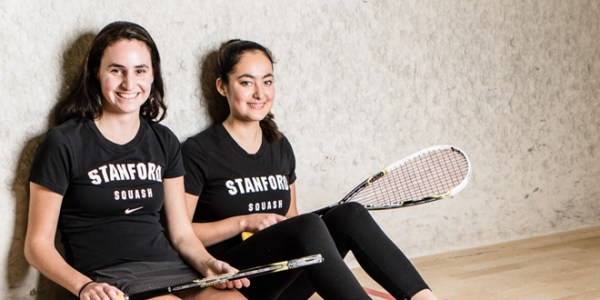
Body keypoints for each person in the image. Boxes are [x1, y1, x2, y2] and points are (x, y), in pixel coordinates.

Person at [182, 39, 440, 300]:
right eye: (247, 82)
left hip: (282, 283)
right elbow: (180, 235)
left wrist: (304, 225)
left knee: (348, 214)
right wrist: (244, 222)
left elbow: (293, 221)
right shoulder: (199, 151)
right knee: (307, 225)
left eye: (267, 82)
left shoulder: (279, 146)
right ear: (222, 87)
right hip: (236, 283)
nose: (260, 93)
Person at [24, 21, 248, 300]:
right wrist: (83, 286)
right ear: (96, 72)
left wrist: (208, 264)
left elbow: (181, 234)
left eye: (140, 70)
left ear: (153, 74)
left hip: (173, 272)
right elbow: (37, 245)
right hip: (108, 281)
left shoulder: (163, 141)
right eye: (116, 70)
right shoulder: (64, 142)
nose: (130, 83)